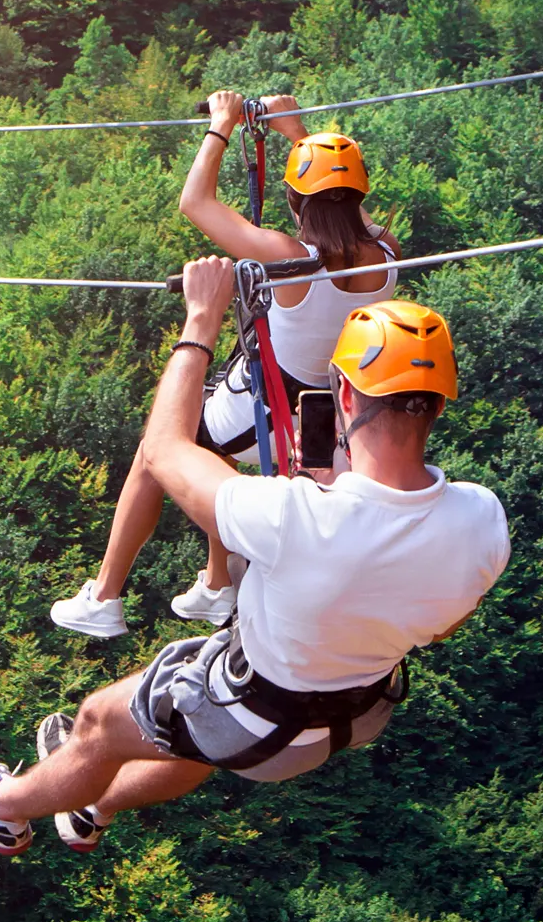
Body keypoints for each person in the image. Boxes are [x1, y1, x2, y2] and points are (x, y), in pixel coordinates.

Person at [0, 255, 511, 857]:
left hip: (256, 719)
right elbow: (441, 623)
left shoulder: (291, 515)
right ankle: (91, 808)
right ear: (439, 404)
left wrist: (201, 320)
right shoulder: (482, 520)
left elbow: (162, 450)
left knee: (100, 723)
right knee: (189, 737)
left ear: (342, 391)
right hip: (354, 716)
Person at [50, 90, 403, 638]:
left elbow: (195, 202)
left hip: (270, 403)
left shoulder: (289, 258)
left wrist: (221, 124)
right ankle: (218, 584)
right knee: (216, 456)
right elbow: (344, 203)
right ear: (359, 194)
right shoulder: (386, 252)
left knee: (157, 449)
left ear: (295, 201)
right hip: (327, 411)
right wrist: (296, 132)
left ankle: (104, 597)